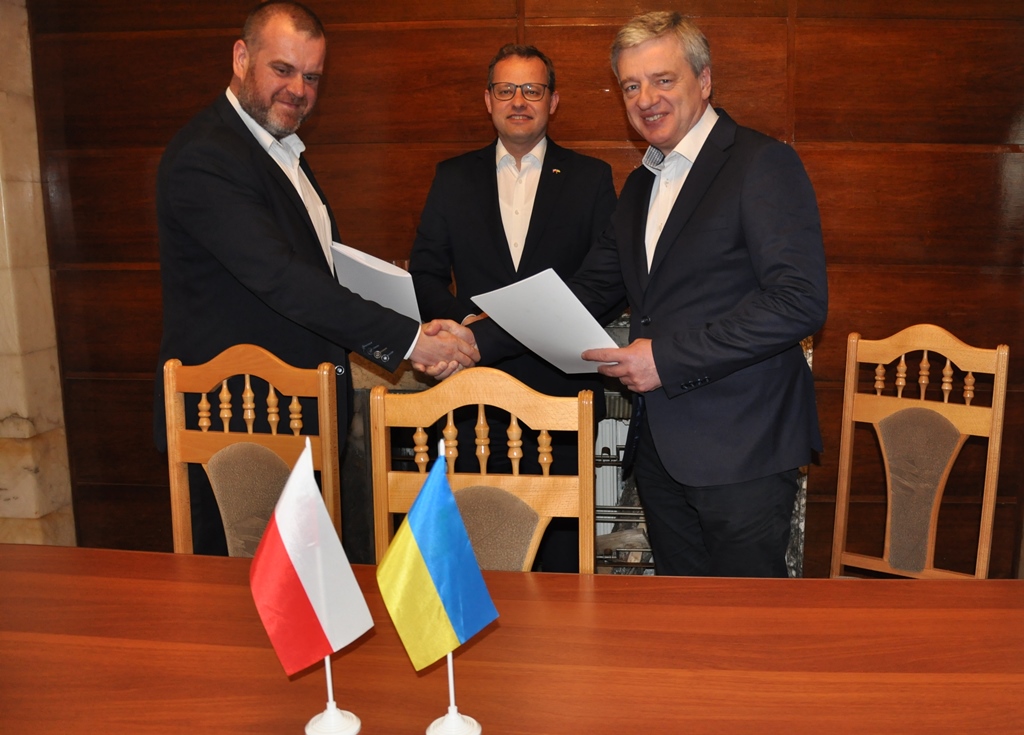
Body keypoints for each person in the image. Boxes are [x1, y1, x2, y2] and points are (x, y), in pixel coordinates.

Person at [473, 11, 828, 577]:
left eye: (663, 80)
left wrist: (666, 358)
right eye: (631, 86)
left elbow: (798, 300)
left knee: (745, 622)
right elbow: (592, 288)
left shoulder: (761, 163)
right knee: (677, 620)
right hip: (661, 452)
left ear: (704, 81)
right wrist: (473, 339)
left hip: (744, 449)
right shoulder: (642, 184)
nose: (646, 99)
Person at [153, 0, 478, 556]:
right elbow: (281, 279)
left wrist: (415, 323)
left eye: (312, 77)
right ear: (241, 58)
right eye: (282, 70)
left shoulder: (281, 151)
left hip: (295, 415)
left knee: (308, 586)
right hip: (236, 424)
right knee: (239, 595)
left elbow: (319, 271)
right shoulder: (207, 156)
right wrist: (409, 342)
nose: (298, 90)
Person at [409, 44, 618, 572]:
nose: (518, 101)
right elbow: (426, 271)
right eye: (506, 90)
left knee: (560, 554)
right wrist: (460, 333)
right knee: (474, 548)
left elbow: (608, 283)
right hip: (471, 392)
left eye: (532, 90)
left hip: (560, 395)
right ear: (488, 100)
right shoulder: (453, 176)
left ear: (553, 101)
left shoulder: (591, 178)